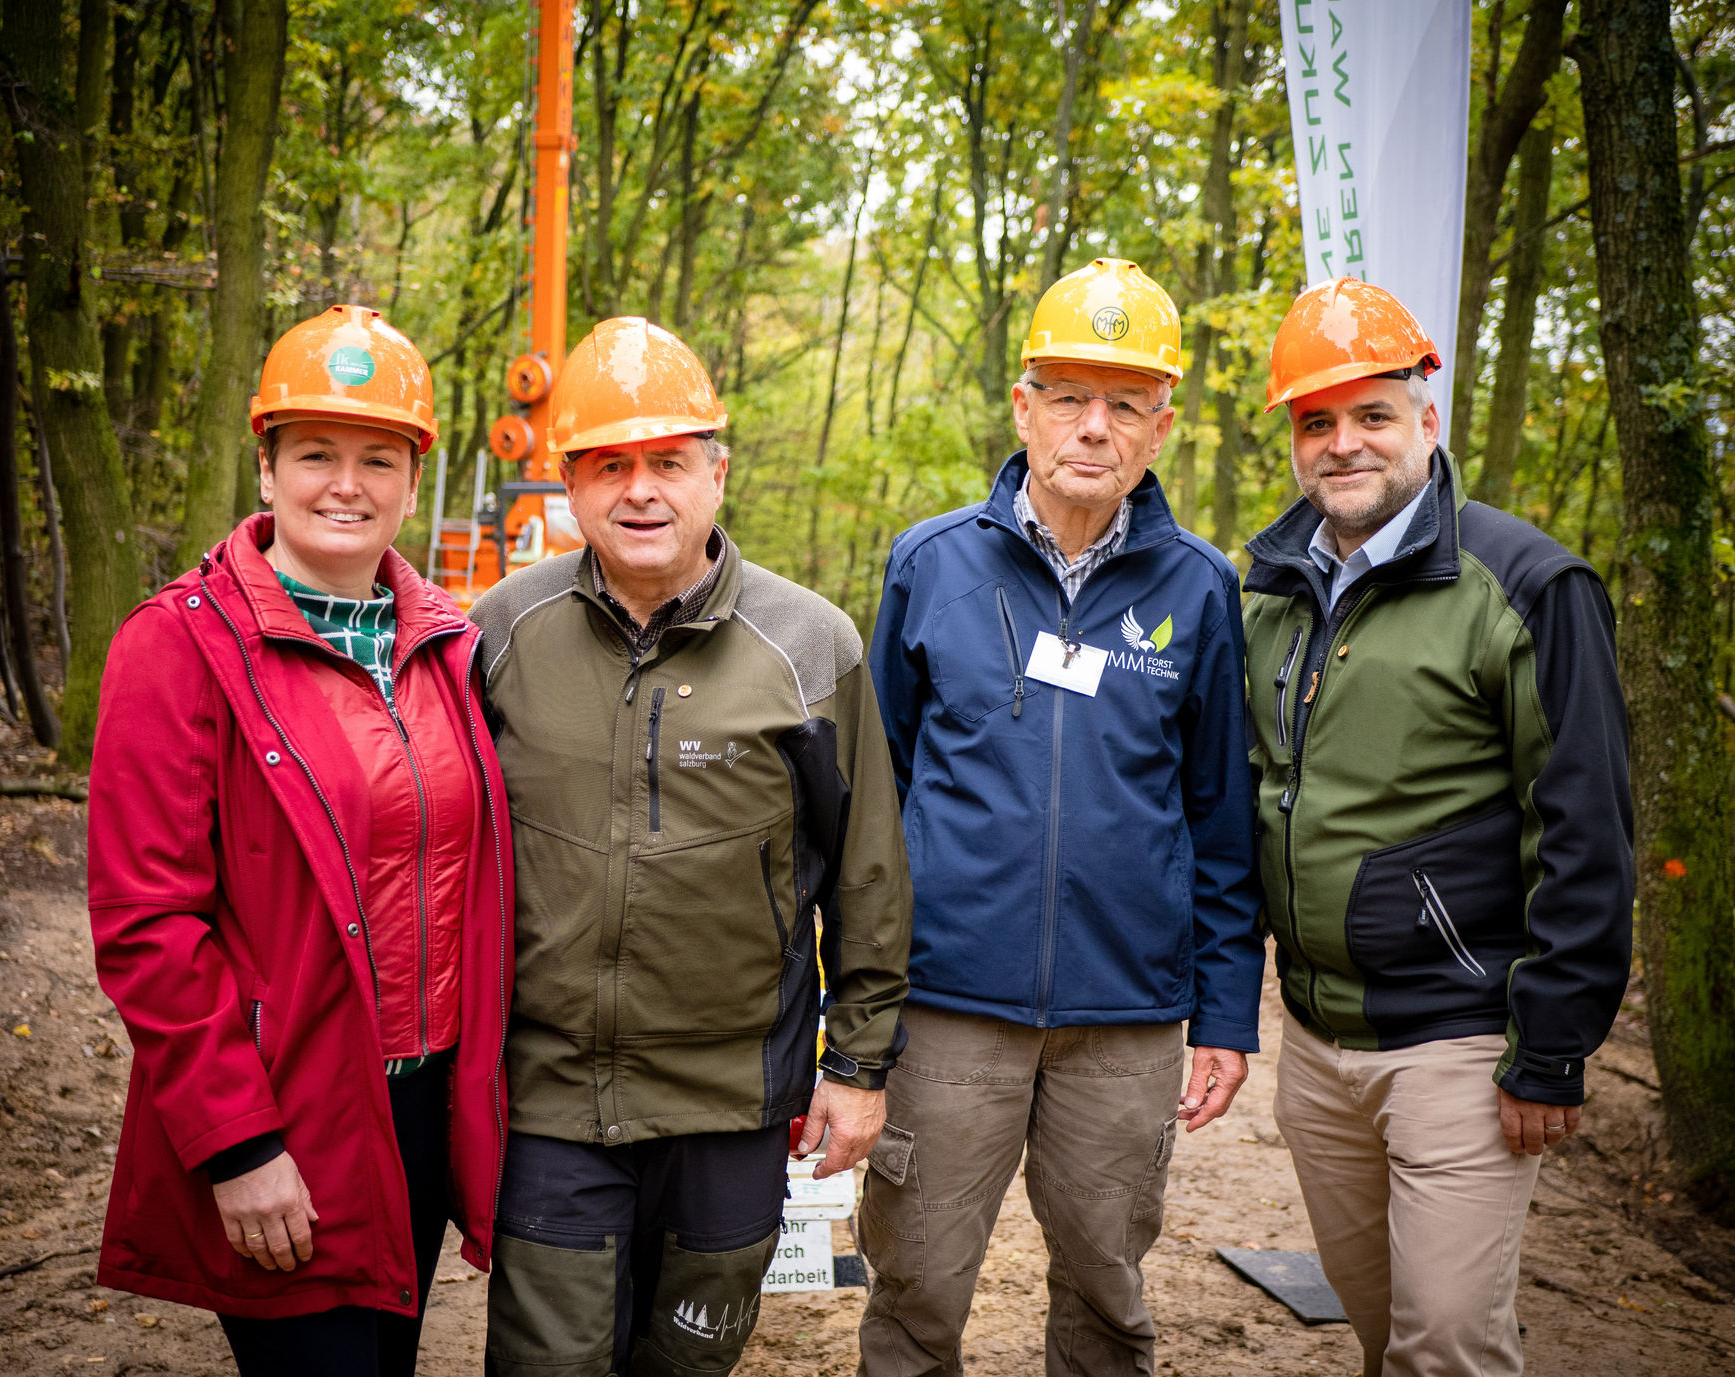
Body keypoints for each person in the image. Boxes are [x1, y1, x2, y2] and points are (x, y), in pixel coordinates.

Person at [468, 316, 913, 1377]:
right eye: (610, 464)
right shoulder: (497, 634)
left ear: (717, 472)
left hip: (733, 1101)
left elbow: (868, 872)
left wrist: (855, 1065)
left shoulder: (811, 645)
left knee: (685, 1363)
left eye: (668, 461)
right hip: (552, 1101)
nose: (641, 490)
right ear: (568, 483)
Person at [88, 304, 513, 1377]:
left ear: (413, 480)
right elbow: (147, 924)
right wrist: (239, 1145)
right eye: (316, 452)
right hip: (290, 1113)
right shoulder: (178, 647)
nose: (346, 484)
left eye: (378, 457)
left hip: (422, 1110)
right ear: (267, 465)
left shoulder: (447, 647)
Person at [861, 257, 1264, 1375]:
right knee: (916, 1293)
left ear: (1161, 425)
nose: (1095, 427)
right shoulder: (929, 566)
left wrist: (1225, 1012)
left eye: (1125, 403)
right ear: (1024, 404)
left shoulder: (1198, 589)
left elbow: (1220, 816)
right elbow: (873, 802)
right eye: (1071, 398)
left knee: (1107, 1297)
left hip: (1125, 1023)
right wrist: (860, 1000)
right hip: (946, 1012)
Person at [1242, 277, 1634, 1377]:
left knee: (1448, 1345)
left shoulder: (1526, 585)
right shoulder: (1270, 592)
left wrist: (1551, 1047)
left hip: (1462, 1042)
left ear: (1428, 416)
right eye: (1317, 422)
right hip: (1317, 1047)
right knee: (1382, 1333)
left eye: (1372, 414)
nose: (1343, 444)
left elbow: (1587, 829)